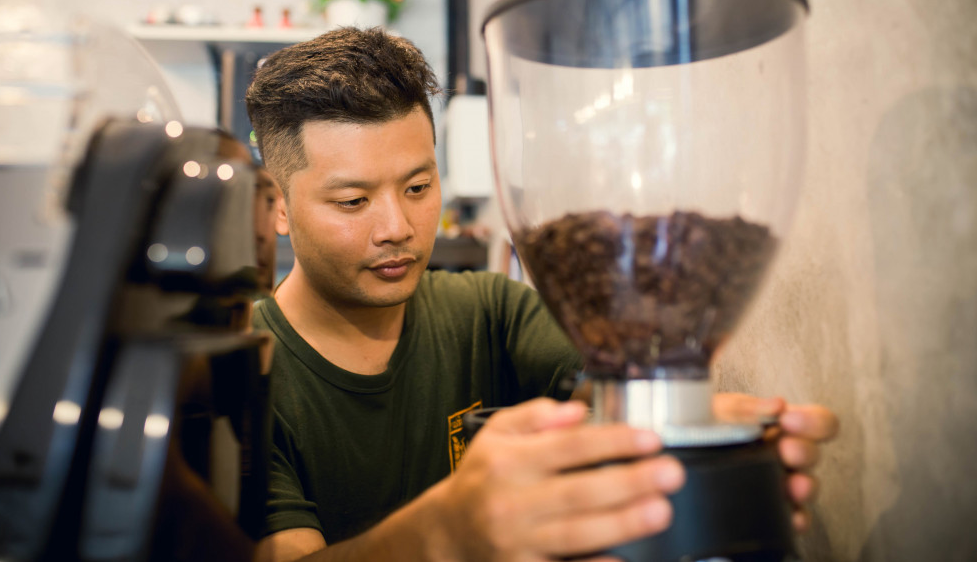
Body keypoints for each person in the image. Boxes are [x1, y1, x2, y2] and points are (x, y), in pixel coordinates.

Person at [245, 27, 838, 561]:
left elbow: (613, 393)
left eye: (419, 186)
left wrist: (705, 430)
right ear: (276, 205)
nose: (397, 226)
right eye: (353, 202)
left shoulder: (490, 313)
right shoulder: (240, 370)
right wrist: (445, 532)